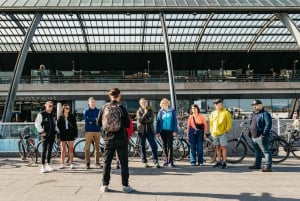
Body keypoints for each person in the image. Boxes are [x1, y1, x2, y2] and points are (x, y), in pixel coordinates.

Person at [97, 88, 134, 193]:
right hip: (121, 138)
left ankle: (105, 185)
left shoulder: (104, 107)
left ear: (110, 96)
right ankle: (125, 186)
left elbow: (98, 123)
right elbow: (127, 123)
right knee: (124, 163)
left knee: (107, 162)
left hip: (108, 138)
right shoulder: (121, 108)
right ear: (119, 96)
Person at [35, 101, 59, 173]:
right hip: (45, 135)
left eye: (52, 106)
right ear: (46, 106)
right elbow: (37, 123)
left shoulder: (53, 115)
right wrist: (41, 132)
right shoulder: (41, 114)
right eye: (49, 106)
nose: (51, 107)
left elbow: (55, 124)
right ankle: (43, 166)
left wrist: (57, 131)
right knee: (44, 150)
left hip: (52, 135)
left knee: (50, 150)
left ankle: (48, 164)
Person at [248, 100, 273, 172]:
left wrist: (264, 134)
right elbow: (252, 124)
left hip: (261, 136)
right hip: (254, 137)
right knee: (257, 152)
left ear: (260, 105)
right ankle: (257, 165)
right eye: (253, 105)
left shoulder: (265, 114)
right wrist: (250, 132)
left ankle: (268, 167)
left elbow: (268, 124)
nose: (254, 106)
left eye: (256, 105)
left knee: (266, 151)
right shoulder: (254, 114)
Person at [136, 98, 160, 168]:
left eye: (145, 102)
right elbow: (140, 120)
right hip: (141, 131)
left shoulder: (151, 110)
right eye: (142, 103)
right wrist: (145, 113)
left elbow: (151, 120)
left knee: (154, 146)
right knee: (142, 146)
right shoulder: (138, 111)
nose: (144, 104)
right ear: (140, 104)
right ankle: (144, 162)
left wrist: (144, 120)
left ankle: (156, 161)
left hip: (150, 130)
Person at [210, 99, 232, 169]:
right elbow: (211, 123)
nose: (216, 105)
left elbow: (229, 123)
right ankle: (219, 161)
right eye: (215, 104)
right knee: (217, 147)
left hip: (222, 133)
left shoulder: (226, 112)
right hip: (214, 133)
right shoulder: (213, 113)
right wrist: (211, 131)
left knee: (223, 147)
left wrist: (226, 130)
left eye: (218, 104)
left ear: (221, 104)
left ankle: (224, 162)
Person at [156, 98, 178, 168]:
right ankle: (166, 160)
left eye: (165, 103)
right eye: (163, 103)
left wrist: (175, 130)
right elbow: (158, 122)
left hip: (170, 131)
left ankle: (170, 161)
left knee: (170, 145)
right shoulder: (160, 112)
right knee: (164, 145)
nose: (164, 104)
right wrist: (157, 132)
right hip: (162, 131)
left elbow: (175, 121)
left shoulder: (172, 111)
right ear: (161, 104)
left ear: (168, 103)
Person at [57, 104, 78, 169]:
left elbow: (75, 126)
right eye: (66, 108)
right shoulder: (60, 117)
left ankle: (71, 163)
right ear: (63, 109)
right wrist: (58, 136)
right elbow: (58, 127)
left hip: (70, 134)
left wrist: (75, 134)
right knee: (63, 149)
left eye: (68, 108)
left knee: (71, 149)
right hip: (63, 134)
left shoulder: (72, 116)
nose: (68, 109)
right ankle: (62, 164)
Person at [83, 97, 101, 169]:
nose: (92, 103)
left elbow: (99, 120)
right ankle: (88, 162)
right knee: (87, 148)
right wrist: (95, 119)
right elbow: (86, 120)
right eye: (91, 102)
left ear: (95, 102)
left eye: (94, 102)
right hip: (89, 131)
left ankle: (97, 162)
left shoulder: (98, 110)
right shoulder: (86, 111)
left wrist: (91, 120)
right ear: (89, 103)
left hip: (97, 130)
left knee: (97, 148)